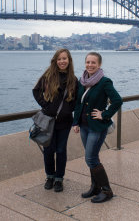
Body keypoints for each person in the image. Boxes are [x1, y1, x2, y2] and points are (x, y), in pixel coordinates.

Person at [72, 52, 123, 203]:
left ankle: (107, 191)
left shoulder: (104, 82)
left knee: (91, 158)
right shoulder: (82, 81)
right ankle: (95, 187)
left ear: (99, 65)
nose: (90, 65)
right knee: (92, 158)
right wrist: (75, 122)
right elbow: (78, 104)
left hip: (97, 127)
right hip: (84, 126)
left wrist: (105, 114)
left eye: (93, 62)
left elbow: (117, 100)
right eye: (88, 62)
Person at [33, 49, 78, 192]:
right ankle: (50, 176)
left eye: (65, 58)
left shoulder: (73, 79)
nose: (62, 61)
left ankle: (59, 179)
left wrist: (67, 109)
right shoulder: (48, 76)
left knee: (60, 151)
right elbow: (36, 91)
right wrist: (46, 105)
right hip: (49, 121)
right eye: (59, 59)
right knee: (48, 150)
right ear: (55, 61)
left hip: (64, 122)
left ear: (69, 60)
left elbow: (77, 99)